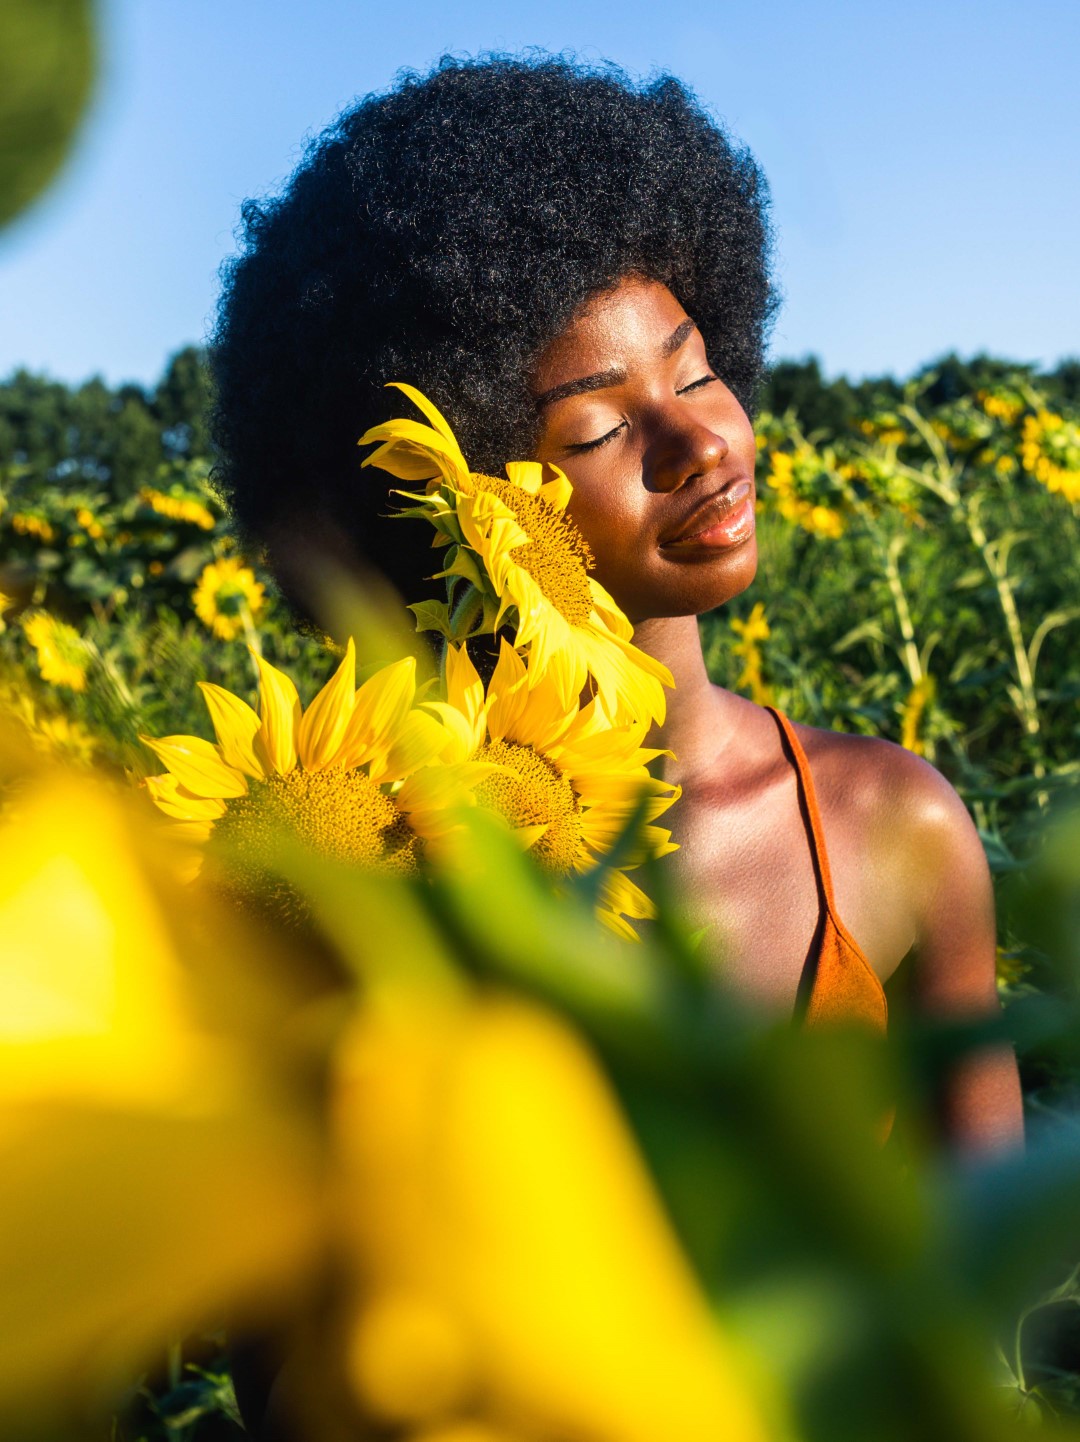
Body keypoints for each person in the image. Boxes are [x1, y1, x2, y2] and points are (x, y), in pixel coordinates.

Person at [212, 53, 1023, 1155]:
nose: (700, 443)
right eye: (598, 431)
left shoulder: (895, 822)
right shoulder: (382, 873)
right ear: (463, 501)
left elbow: (985, 1304)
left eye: (694, 374)